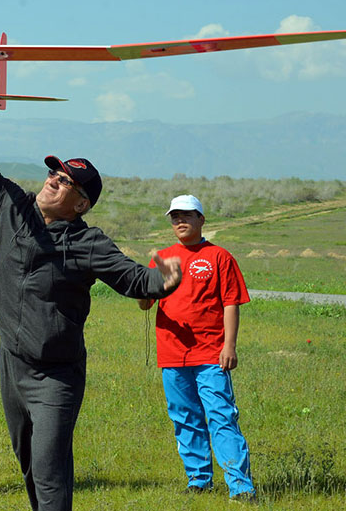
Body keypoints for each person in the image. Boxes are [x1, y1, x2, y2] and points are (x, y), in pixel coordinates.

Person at [0, 62, 182, 511]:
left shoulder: (87, 241)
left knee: (51, 469)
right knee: (28, 467)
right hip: (11, 365)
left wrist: (163, 279)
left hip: (56, 375)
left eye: (64, 182)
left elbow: (132, 278)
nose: (51, 181)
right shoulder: (11, 206)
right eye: (52, 175)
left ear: (80, 203)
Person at [137, 194, 256, 502]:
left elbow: (231, 303)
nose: (180, 220)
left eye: (187, 215)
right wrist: (150, 284)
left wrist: (229, 346)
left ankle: (240, 487)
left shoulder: (219, 257)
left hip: (211, 353)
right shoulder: (162, 257)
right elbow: (144, 304)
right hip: (172, 353)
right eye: (175, 216)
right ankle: (198, 479)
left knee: (221, 416)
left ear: (201, 219)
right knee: (184, 416)